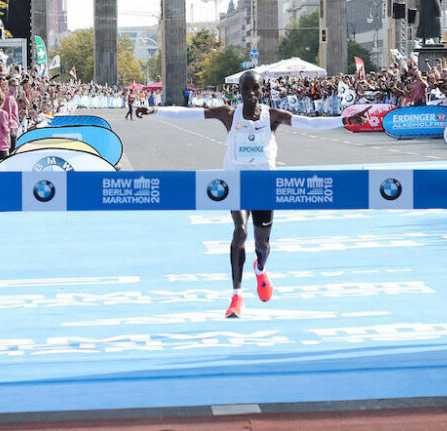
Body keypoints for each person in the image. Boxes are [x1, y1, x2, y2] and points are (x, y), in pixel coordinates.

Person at [138, 71, 367, 319]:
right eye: (245, 89)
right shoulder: (228, 114)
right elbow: (193, 113)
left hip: (264, 185)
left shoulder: (273, 117)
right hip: (235, 182)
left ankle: (260, 269)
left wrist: (344, 120)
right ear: (239, 91)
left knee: (262, 244)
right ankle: (236, 295)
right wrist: (155, 110)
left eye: (255, 88)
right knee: (240, 232)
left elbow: (310, 123)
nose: (250, 94)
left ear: (261, 90)